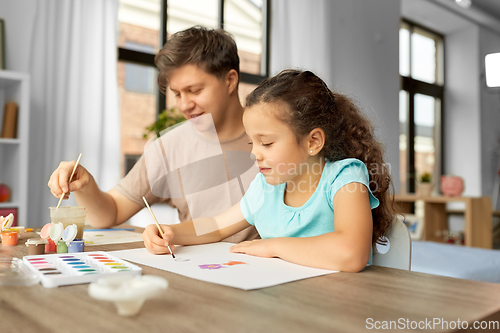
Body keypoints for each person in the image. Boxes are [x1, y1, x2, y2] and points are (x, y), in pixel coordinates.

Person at [142, 69, 395, 272]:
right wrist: (173, 232)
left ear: (313, 142)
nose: (255, 153)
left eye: (268, 143)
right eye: (252, 143)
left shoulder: (344, 177)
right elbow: (218, 225)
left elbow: (351, 253)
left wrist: (273, 246)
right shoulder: (265, 188)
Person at [47, 26, 259, 243]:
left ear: (230, 80)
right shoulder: (167, 149)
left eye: (195, 91)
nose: (185, 105)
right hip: (198, 269)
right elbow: (110, 213)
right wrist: (85, 185)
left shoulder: (274, 139)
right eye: (177, 94)